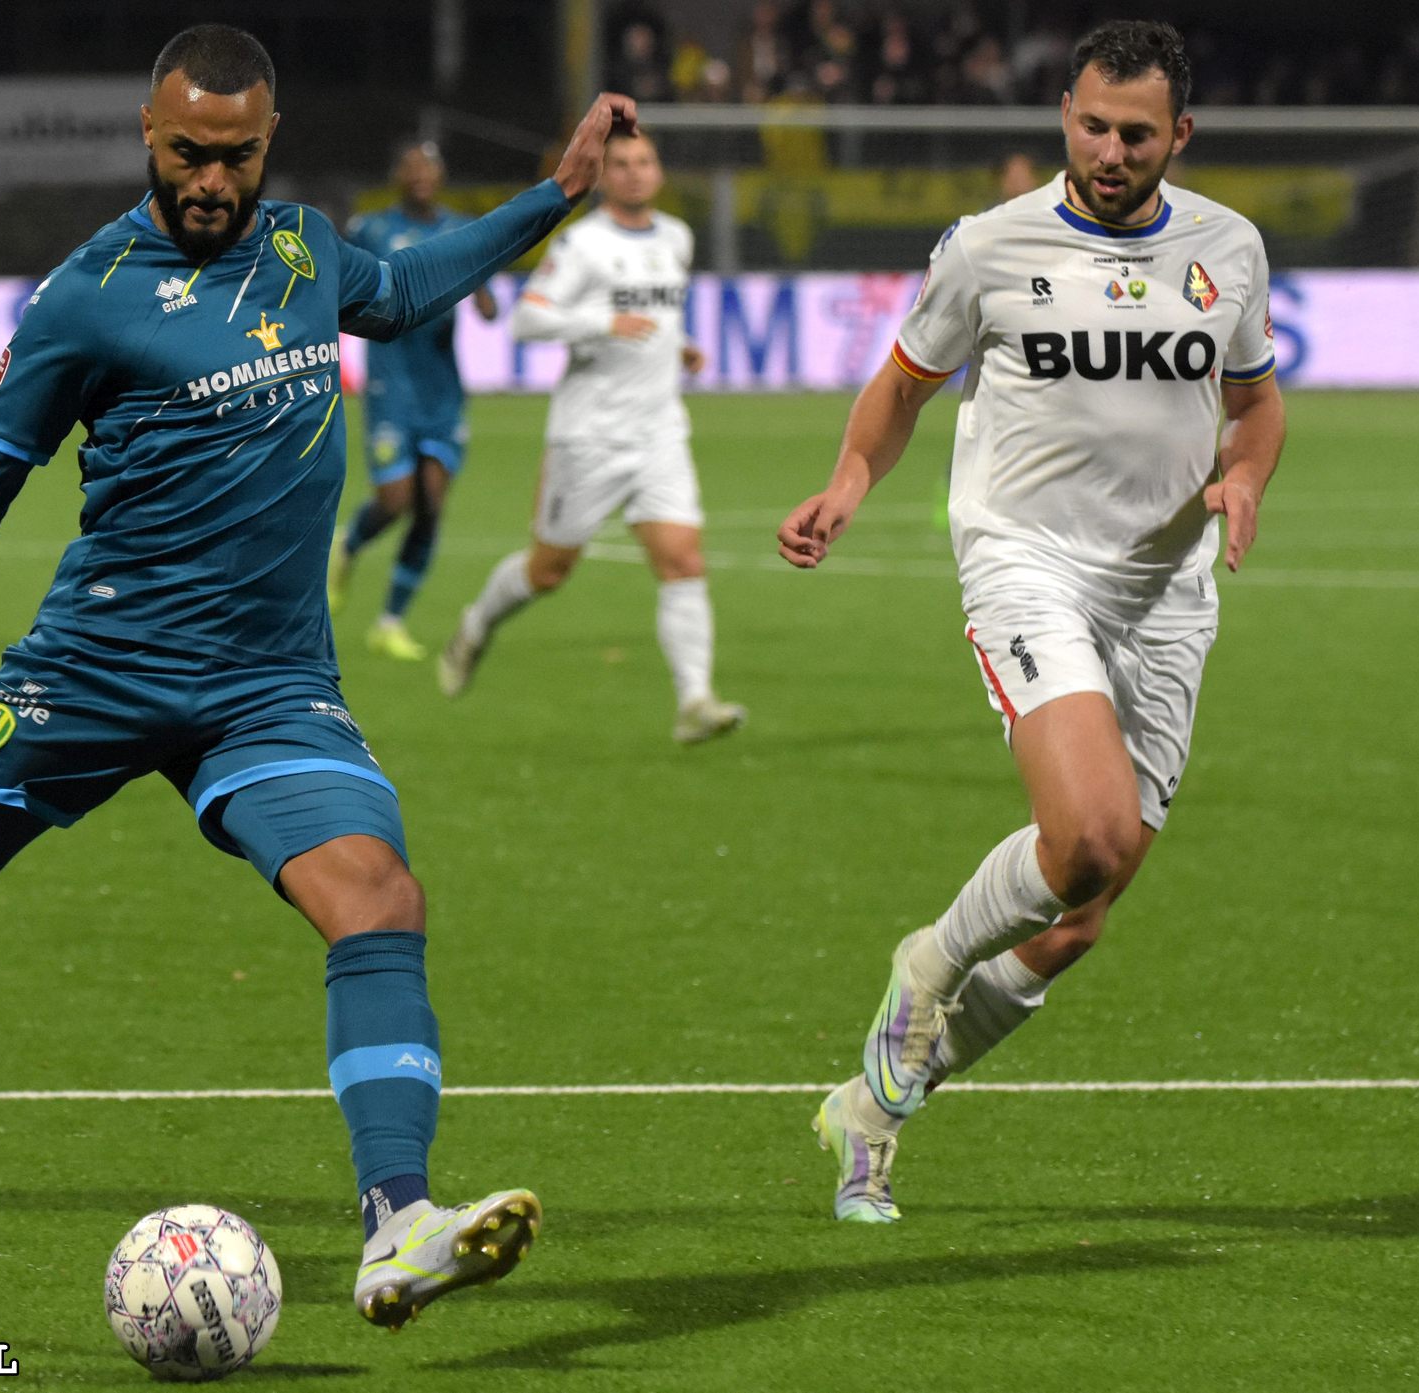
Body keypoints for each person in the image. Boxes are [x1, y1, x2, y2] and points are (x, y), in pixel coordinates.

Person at [0, 23, 637, 1327]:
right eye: (189, 152)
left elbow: (415, 288)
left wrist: (559, 190)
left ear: (269, 143)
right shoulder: (89, 294)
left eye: (236, 155)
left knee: (378, 898)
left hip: (266, 687)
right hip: (91, 675)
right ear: (151, 134)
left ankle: (397, 1221)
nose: (211, 179)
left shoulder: (306, 249)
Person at [779, 20, 1285, 1223]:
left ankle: (876, 1105)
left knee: (1081, 912)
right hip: (1028, 562)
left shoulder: (1231, 249)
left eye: (1138, 135)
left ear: (1182, 136)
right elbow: (904, 381)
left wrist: (1247, 477)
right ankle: (930, 960)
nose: (1111, 152)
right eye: (1093, 126)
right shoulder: (993, 247)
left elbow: (1256, 405)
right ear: (1065, 113)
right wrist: (849, 484)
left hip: (1167, 593)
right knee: (1091, 836)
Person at [438, 130, 746, 744]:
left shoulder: (675, 238)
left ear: (658, 171)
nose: (634, 172)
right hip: (589, 437)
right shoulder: (583, 244)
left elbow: (657, 315)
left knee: (683, 560)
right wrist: (603, 322)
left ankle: (694, 701)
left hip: (660, 431)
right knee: (549, 570)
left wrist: (674, 345)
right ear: (605, 176)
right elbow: (527, 317)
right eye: (622, 164)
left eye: (645, 162)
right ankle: (476, 624)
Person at [329, 142, 498, 661]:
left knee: (432, 505)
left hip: (442, 391)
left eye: (430, 168)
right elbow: (336, 287)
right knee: (396, 499)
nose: (422, 176)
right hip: (390, 386)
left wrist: (477, 282)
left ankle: (390, 620)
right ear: (397, 175)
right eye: (412, 168)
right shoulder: (371, 230)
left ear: (442, 177)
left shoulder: (457, 231)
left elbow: (490, 311)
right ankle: (349, 545)